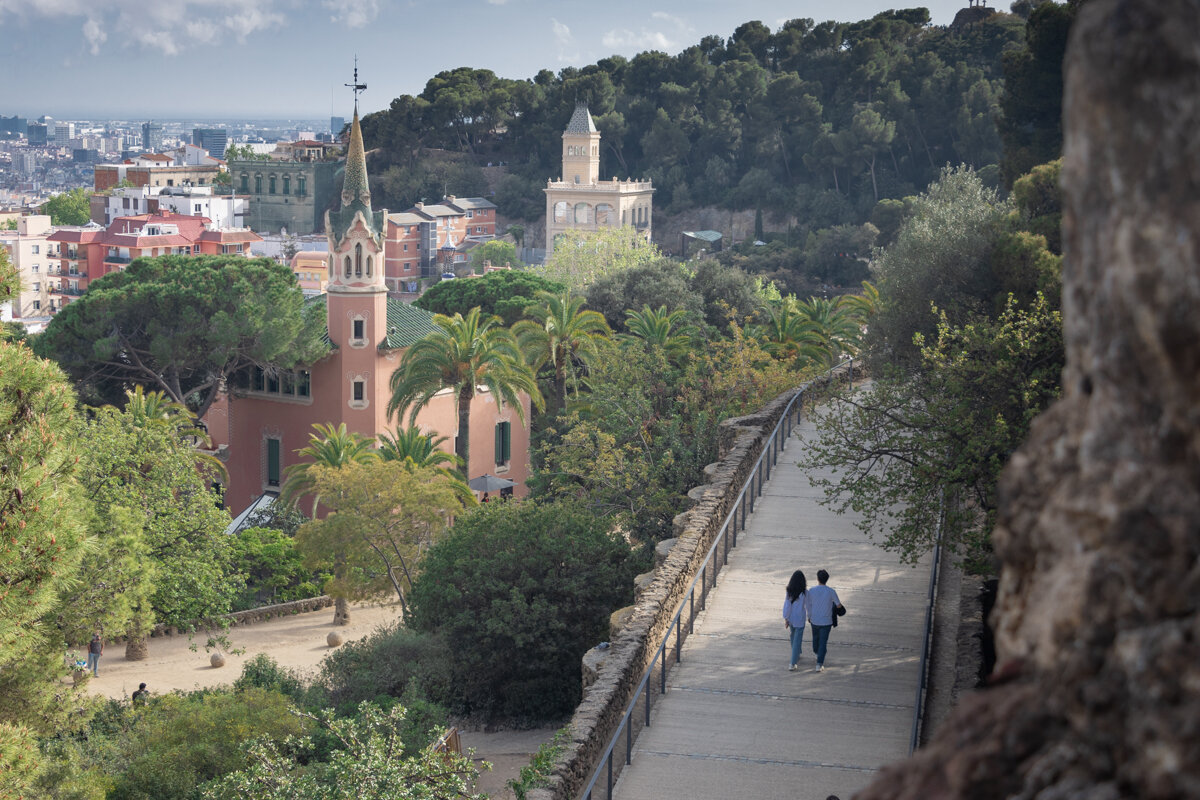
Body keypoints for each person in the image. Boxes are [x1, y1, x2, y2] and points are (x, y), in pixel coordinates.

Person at [806, 569, 843, 672]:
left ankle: (819, 660)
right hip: (827, 621)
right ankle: (820, 660)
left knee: (816, 641)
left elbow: (808, 605)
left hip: (814, 620)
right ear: (827, 579)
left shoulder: (811, 590)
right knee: (822, 642)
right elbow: (838, 604)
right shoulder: (831, 591)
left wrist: (808, 616)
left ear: (818, 579)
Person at [782, 570, 808, 671]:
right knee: (797, 638)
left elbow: (787, 605)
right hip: (800, 619)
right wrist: (810, 616)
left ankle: (797, 652)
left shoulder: (789, 591)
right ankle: (792, 662)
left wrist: (786, 618)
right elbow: (808, 606)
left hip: (792, 618)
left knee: (793, 635)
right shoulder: (805, 592)